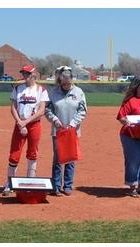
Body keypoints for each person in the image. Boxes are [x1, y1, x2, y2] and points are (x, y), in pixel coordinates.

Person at [2, 65, 49, 196]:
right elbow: (13, 108)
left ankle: (31, 183)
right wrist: (20, 123)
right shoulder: (18, 89)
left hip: (34, 124)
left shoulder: (41, 90)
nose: (24, 76)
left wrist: (26, 122)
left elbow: (41, 111)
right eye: (23, 73)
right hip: (19, 124)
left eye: (27, 74)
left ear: (33, 75)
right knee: (14, 154)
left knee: (33, 153)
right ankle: (9, 183)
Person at [45, 66, 87, 196]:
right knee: (58, 158)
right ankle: (56, 186)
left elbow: (83, 110)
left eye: (69, 80)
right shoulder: (53, 92)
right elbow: (47, 110)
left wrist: (73, 123)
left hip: (72, 130)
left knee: (71, 157)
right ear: (60, 79)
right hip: (58, 130)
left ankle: (68, 185)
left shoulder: (78, 92)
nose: (67, 83)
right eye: (64, 80)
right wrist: (55, 121)